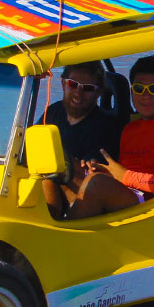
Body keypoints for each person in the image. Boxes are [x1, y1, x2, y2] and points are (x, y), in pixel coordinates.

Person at [66, 55, 154, 218]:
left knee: (96, 184)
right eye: (139, 88)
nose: (146, 95)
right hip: (129, 194)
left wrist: (126, 177)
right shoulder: (131, 128)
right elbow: (126, 175)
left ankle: (68, 231)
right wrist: (106, 171)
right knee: (63, 170)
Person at [39, 61, 123, 219]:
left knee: (48, 176)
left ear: (99, 93)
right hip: (47, 187)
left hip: (80, 200)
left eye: (87, 88)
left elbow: (91, 173)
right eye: (73, 84)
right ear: (63, 84)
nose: (78, 93)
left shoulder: (104, 127)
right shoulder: (53, 112)